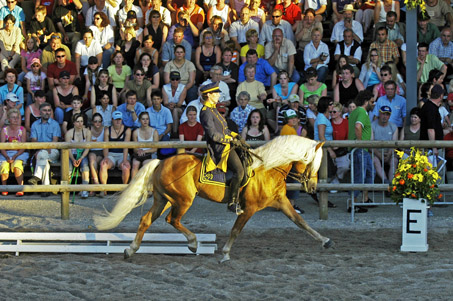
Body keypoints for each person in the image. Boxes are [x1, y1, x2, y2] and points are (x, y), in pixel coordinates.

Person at [199, 82, 244, 215]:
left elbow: (224, 128)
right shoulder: (206, 112)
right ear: (208, 95)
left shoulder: (213, 109)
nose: (219, 95)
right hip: (220, 148)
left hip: (227, 144)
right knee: (239, 171)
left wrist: (236, 135)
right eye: (216, 93)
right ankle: (232, 201)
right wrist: (229, 139)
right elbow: (213, 134)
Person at [348, 90, 375, 213]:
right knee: (359, 176)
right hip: (360, 149)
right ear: (366, 101)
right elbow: (358, 126)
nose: (373, 104)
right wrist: (360, 142)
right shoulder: (362, 112)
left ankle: (364, 198)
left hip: (361, 149)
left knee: (369, 172)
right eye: (372, 102)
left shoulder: (354, 112)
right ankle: (352, 202)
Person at [28, 102, 61, 197]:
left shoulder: (55, 124)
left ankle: (37, 176)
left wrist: (43, 149)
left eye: (49, 110)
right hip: (41, 152)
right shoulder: (35, 125)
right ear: (40, 112)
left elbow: (54, 143)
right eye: (45, 110)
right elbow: (33, 142)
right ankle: (45, 189)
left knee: (42, 155)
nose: (47, 112)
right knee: (44, 161)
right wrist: (43, 149)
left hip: (53, 151)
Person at [279, 108, 305, 213]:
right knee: (293, 180)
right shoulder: (288, 129)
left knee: (290, 181)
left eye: (294, 117)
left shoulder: (289, 128)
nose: (293, 120)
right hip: (289, 159)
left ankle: (289, 205)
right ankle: (291, 206)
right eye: (290, 118)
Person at [99, 111, 132, 193]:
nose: (118, 121)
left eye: (119, 119)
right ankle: (104, 189)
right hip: (111, 154)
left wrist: (124, 160)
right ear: (112, 120)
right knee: (103, 165)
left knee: (126, 167)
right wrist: (106, 157)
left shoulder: (127, 130)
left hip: (122, 154)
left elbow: (126, 146)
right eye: (116, 119)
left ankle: (124, 189)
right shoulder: (108, 130)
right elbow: (105, 146)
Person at [0, 108, 28, 196]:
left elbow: (23, 147)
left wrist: (15, 155)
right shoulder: (4, 130)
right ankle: (4, 188)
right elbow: (2, 146)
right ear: (9, 119)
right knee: (4, 165)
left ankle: (20, 188)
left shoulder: (22, 129)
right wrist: (7, 156)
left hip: (19, 153)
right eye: (13, 117)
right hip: (6, 153)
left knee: (17, 165)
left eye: (17, 117)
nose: (15, 119)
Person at [65, 113, 92, 198]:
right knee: (68, 169)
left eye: (81, 121)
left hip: (83, 154)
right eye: (78, 122)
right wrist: (73, 159)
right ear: (73, 123)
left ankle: (85, 189)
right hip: (71, 154)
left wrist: (81, 158)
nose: (80, 124)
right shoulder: (69, 133)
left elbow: (87, 147)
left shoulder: (87, 132)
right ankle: (67, 189)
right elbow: (68, 149)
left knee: (85, 167)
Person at [371, 105, 398, 185]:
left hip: (389, 152)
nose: (385, 116)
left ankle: (391, 184)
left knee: (394, 160)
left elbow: (394, 144)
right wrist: (379, 154)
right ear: (379, 114)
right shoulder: (372, 125)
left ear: (389, 116)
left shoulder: (393, 126)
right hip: (376, 152)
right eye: (383, 114)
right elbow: (370, 144)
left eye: (387, 114)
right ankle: (386, 182)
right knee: (375, 160)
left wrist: (389, 154)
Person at [131, 111, 159, 179]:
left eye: (147, 119)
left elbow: (155, 149)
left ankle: (146, 186)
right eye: (143, 119)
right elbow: (134, 148)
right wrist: (139, 151)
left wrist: (144, 151)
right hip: (139, 154)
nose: (145, 121)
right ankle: (133, 186)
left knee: (146, 163)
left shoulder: (154, 132)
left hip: (151, 154)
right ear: (140, 120)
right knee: (135, 164)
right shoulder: (135, 132)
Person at [420, 84, 445, 157]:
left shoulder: (428, 106)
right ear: (440, 96)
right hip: (431, 149)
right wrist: (434, 147)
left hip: (431, 146)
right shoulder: (431, 108)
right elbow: (430, 129)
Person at [146, 90, 173, 155]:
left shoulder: (166, 111)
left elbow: (169, 128)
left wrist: (162, 134)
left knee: (165, 140)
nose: (156, 101)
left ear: (161, 100)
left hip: (163, 134)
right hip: (151, 133)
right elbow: (146, 126)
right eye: (154, 99)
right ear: (151, 100)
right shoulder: (147, 111)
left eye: (158, 99)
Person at [330, 102, 350, 191]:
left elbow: (348, 137)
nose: (332, 114)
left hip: (342, 149)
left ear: (339, 112)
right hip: (330, 148)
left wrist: (339, 145)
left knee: (345, 166)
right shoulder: (328, 122)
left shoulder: (346, 122)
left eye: (334, 112)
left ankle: (335, 180)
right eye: (330, 112)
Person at [162, 71, 186, 137]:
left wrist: (174, 105)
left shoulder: (183, 88)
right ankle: (169, 132)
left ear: (179, 80)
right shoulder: (164, 87)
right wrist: (171, 105)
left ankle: (174, 132)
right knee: (168, 110)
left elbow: (180, 103)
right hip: (168, 106)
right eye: (173, 79)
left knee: (175, 110)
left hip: (180, 108)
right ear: (170, 79)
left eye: (177, 79)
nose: (175, 81)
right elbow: (165, 102)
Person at [88, 113, 105, 196]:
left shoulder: (105, 130)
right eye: (95, 121)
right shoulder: (89, 129)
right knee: (92, 161)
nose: (97, 123)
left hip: (102, 151)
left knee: (95, 163)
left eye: (99, 121)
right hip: (92, 151)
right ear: (92, 122)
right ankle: (96, 183)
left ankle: (94, 188)